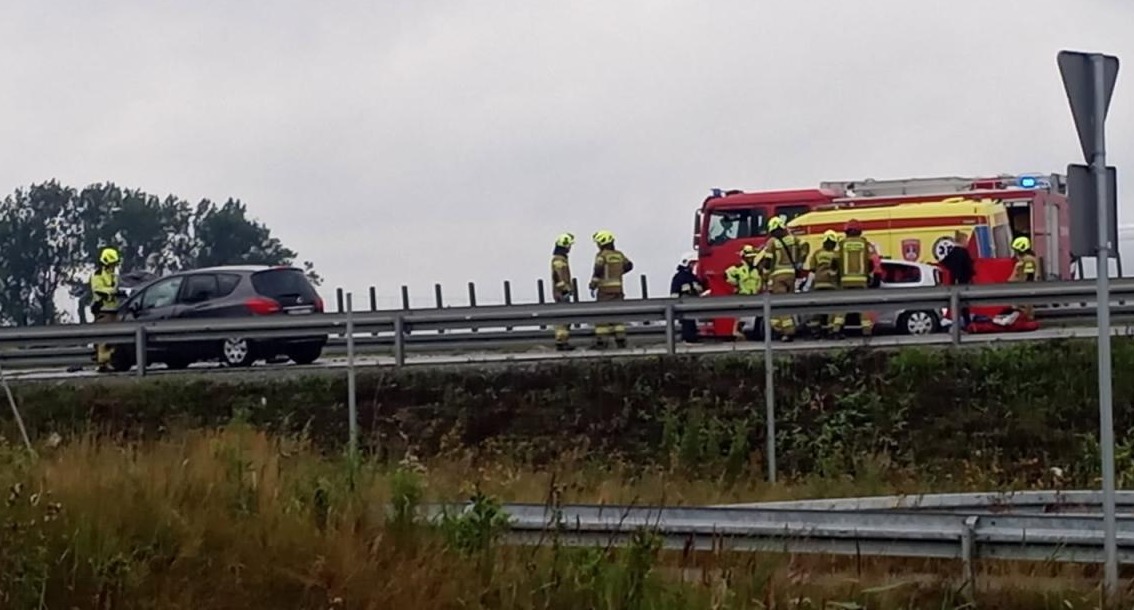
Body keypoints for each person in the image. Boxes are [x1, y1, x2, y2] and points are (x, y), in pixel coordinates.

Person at [589, 229, 633, 349]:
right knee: (618, 317)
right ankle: (621, 340)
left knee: (602, 317)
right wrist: (618, 273)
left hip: (604, 291)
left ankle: (601, 342)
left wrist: (593, 284)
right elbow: (629, 265)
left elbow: (598, 271)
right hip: (618, 289)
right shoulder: (619, 255)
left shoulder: (602, 256)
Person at [830, 220, 875, 337]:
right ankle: (866, 331)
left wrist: (835, 277)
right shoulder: (865, 244)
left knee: (843, 306)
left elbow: (834, 262)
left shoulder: (841, 243)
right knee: (864, 306)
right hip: (861, 280)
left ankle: (837, 329)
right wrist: (868, 275)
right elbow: (871, 262)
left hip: (845, 281)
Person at [760, 216, 801, 341]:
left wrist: (765, 276)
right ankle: (779, 328)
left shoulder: (772, 242)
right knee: (789, 304)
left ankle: (788, 331)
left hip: (778, 275)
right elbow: (804, 247)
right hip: (792, 275)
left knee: (780, 305)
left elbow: (767, 261)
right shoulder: (793, 240)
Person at [89, 247, 124, 372]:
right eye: (112, 263)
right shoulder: (98, 274)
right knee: (103, 339)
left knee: (114, 339)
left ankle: (110, 361)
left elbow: (116, 286)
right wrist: (113, 292)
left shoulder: (113, 274)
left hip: (114, 309)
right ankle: (102, 363)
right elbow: (98, 290)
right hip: (103, 310)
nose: (114, 266)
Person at [805, 230, 841, 336]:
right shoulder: (836, 255)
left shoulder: (817, 253)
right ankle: (831, 330)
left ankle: (815, 330)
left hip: (819, 284)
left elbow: (812, 268)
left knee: (818, 308)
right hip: (832, 284)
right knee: (831, 308)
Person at [939, 231, 975, 329]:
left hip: (953, 283)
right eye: (966, 240)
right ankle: (967, 323)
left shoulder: (952, 252)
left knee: (955, 304)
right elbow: (969, 268)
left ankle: (955, 323)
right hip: (962, 282)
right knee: (964, 304)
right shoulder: (963, 252)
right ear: (963, 241)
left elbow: (944, 263)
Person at [669, 251, 704, 343]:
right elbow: (674, 294)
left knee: (691, 323)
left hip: (693, 305)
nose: (693, 266)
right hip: (683, 306)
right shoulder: (679, 278)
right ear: (686, 263)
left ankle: (692, 338)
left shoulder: (693, 277)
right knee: (687, 323)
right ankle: (688, 339)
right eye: (692, 263)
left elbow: (701, 288)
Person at [550, 232, 576, 351]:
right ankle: (561, 342)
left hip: (562, 292)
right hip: (562, 293)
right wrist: (564, 289)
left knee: (565, 319)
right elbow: (558, 276)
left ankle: (563, 341)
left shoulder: (561, 259)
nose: (570, 248)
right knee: (563, 320)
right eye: (569, 245)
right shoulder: (559, 260)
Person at [1010, 235, 1039, 320]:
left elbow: (1028, 276)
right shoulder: (1024, 260)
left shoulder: (1028, 260)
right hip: (1021, 291)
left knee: (1025, 312)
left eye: (1015, 250)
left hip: (1023, 291)